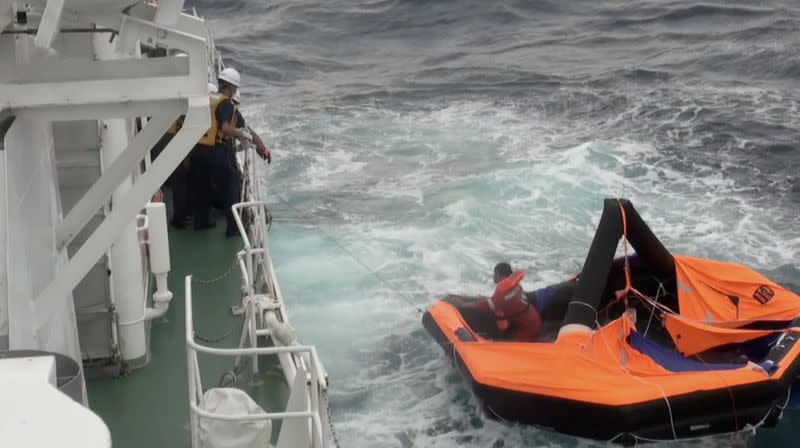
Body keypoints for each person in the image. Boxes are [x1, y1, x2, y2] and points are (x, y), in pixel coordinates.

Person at [188, 67, 253, 235]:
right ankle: (233, 229)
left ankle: (201, 223)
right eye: (235, 89)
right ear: (231, 88)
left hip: (197, 150)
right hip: (215, 151)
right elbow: (225, 127)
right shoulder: (226, 103)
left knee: (202, 187)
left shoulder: (208, 98)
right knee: (232, 183)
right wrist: (242, 134)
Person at [457, 263, 542, 342]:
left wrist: (463, 304)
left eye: (494, 273)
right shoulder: (516, 285)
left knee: (507, 349)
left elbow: (485, 305)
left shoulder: (503, 293)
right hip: (534, 321)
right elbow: (498, 302)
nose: (493, 276)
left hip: (529, 330)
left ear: (499, 275)